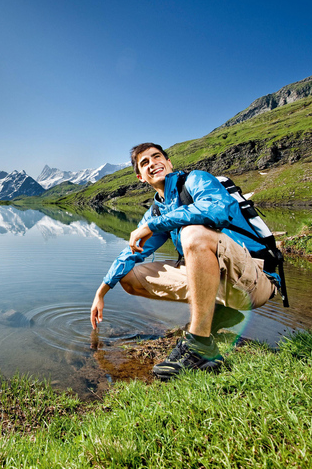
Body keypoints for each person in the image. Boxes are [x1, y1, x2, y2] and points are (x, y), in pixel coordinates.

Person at [90, 143, 281, 381]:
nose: (152, 163)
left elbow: (218, 210)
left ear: (169, 163)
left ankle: (201, 347)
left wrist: (154, 225)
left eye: (156, 157)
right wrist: (102, 291)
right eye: (145, 162)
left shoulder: (196, 180)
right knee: (128, 278)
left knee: (194, 234)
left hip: (255, 279)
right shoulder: (158, 210)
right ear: (141, 177)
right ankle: (220, 313)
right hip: (227, 282)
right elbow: (132, 251)